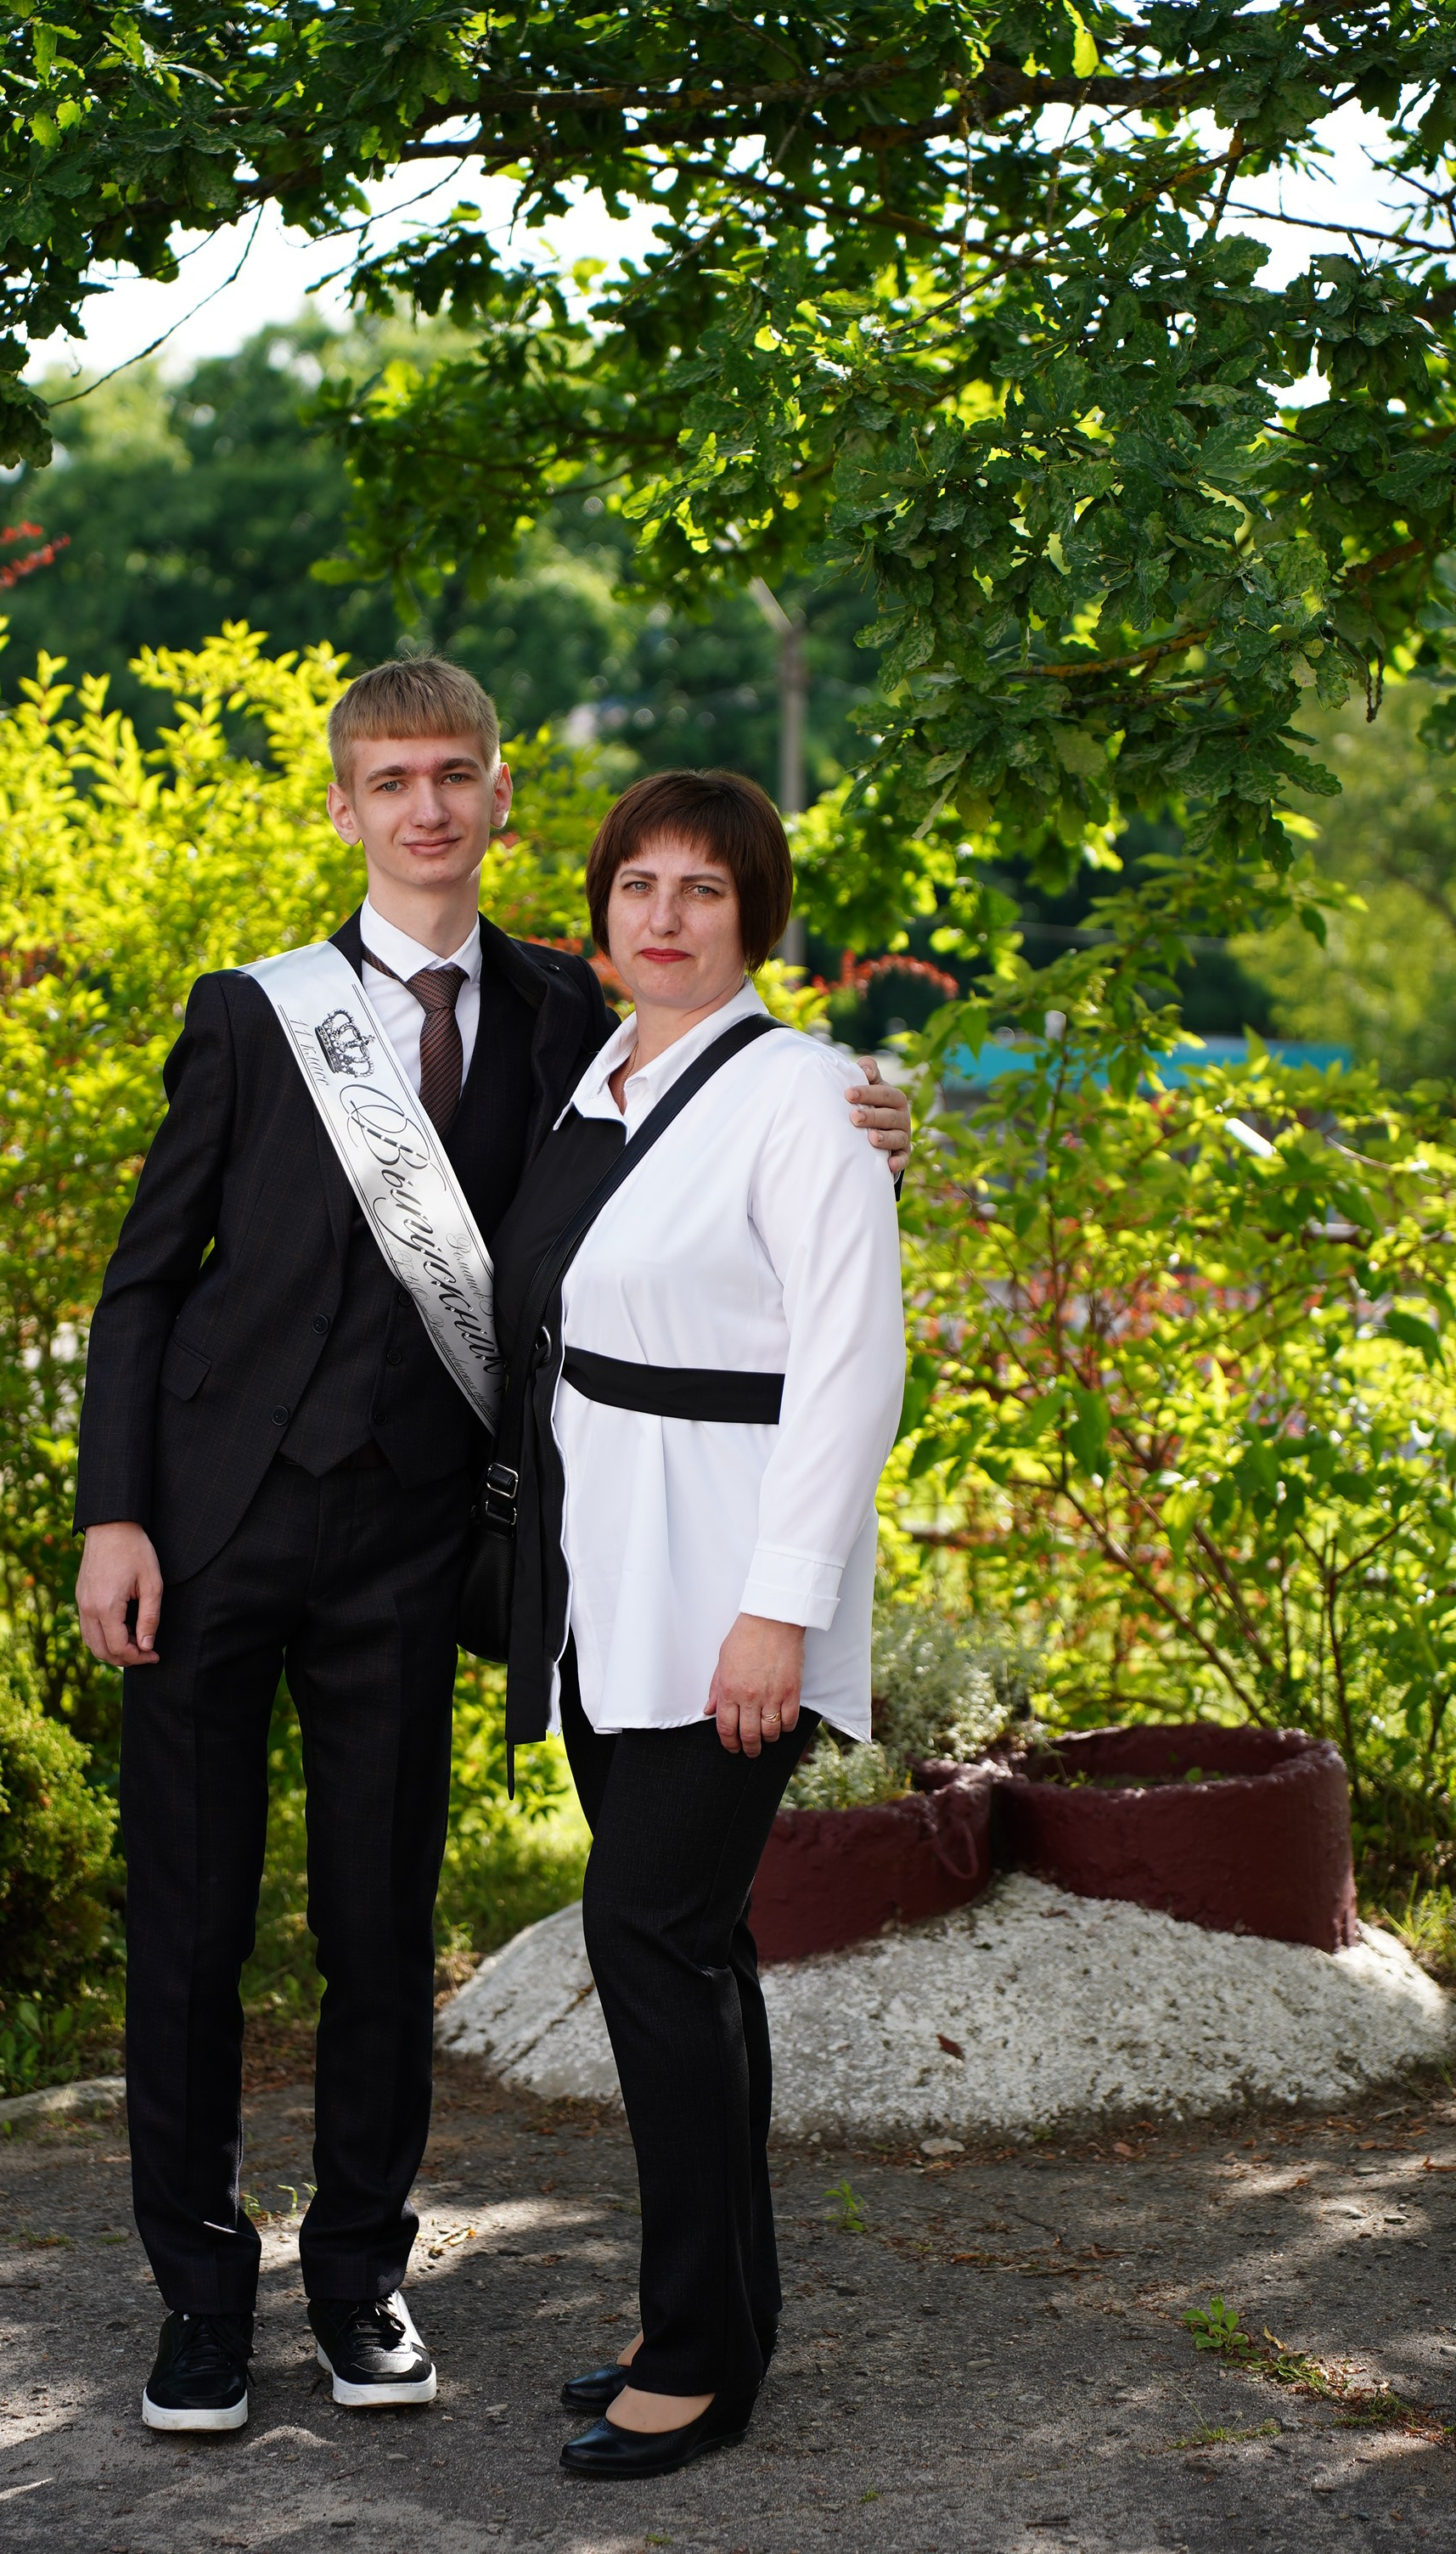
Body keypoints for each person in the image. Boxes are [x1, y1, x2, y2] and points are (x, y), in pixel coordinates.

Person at [70, 658, 915, 2436]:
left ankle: (364, 2277)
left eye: (455, 774)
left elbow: (733, 1107)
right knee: (188, 1932)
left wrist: (873, 1109)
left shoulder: (567, 1012)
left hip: (413, 1551)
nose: (427, 808)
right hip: (209, 1540)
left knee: (382, 1935)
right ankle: (199, 2299)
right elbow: (145, 1282)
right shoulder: (252, 1012)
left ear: (501, 796)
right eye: (390, 780)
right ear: (344, 806)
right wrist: (113, 1512)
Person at [489, 769, 906, 2479]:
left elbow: (848, 1370)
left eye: (703, 892)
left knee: (649, 1943)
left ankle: (699, 2355)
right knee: (688, 1954)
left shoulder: (811, 1096)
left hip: (728, 1595)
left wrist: (776, 1619)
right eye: (636, 884)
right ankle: (717, 2318)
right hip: (608, 1585)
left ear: (756, 919)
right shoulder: (589, 1082)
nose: (662, 917)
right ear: (601, 909)